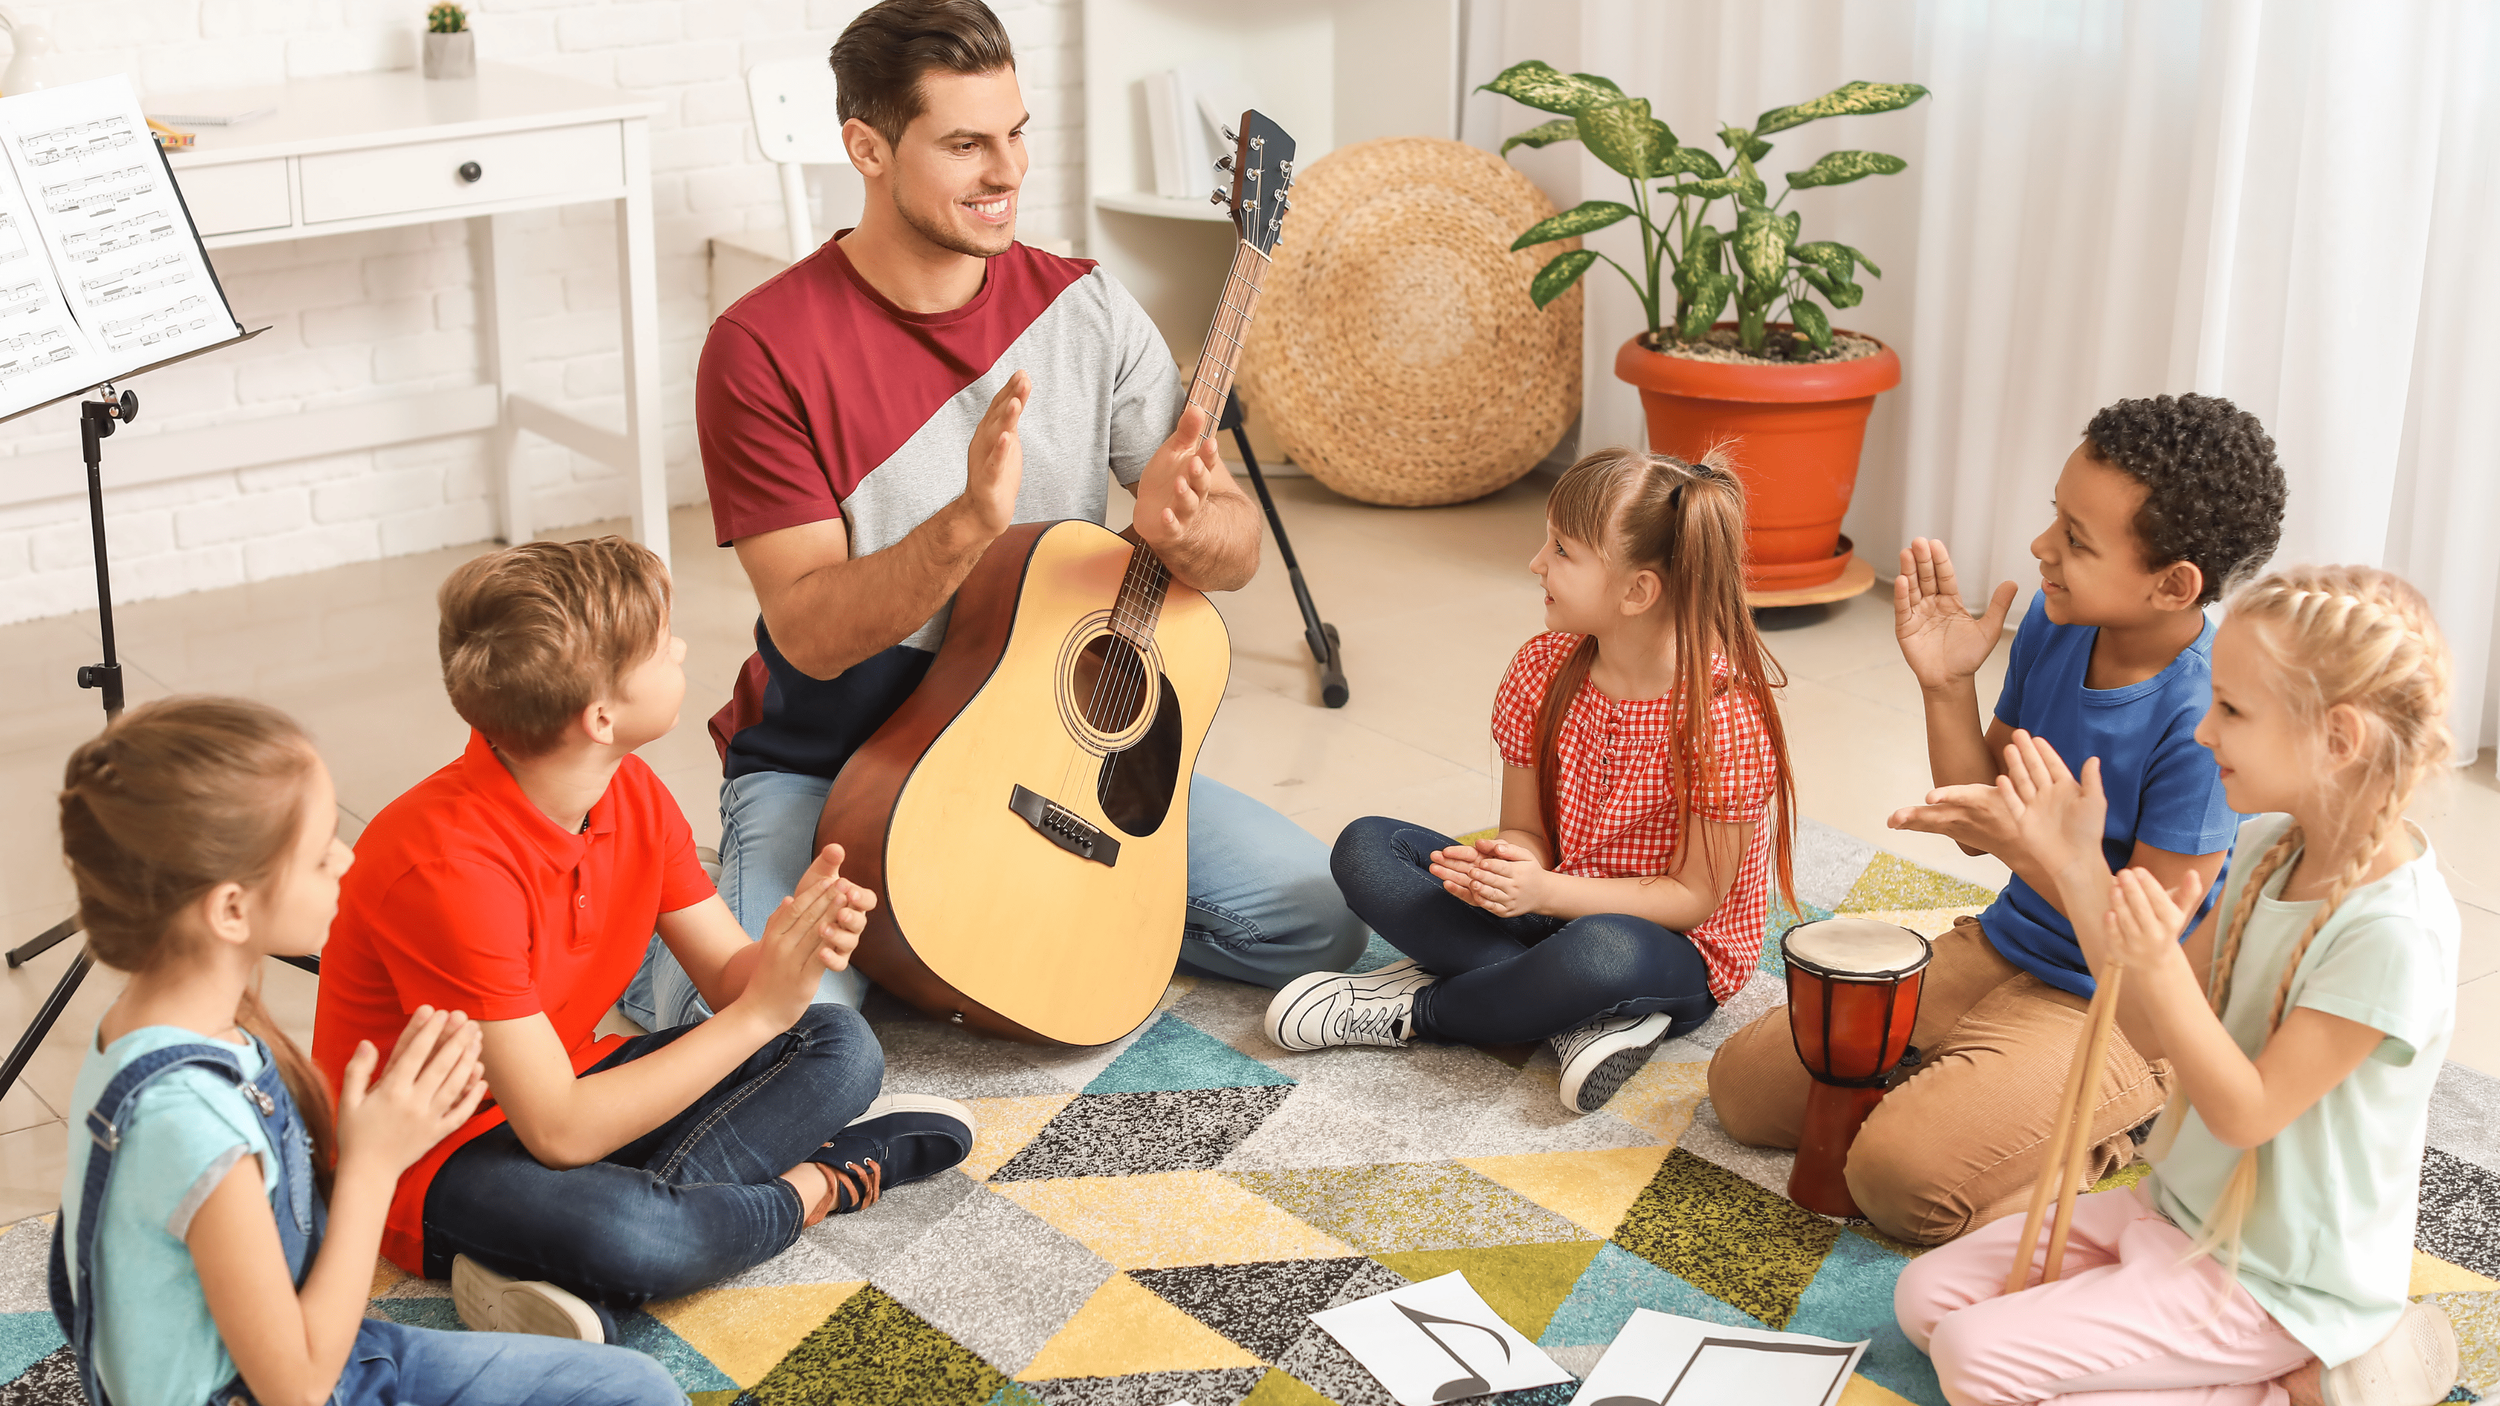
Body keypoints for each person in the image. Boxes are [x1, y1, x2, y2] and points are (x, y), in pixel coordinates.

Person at [620, 0, 1366, 1030]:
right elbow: (808, 631)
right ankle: (659, 931)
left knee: (1318, 922)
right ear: (867, 148)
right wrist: (962, 528)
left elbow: (1231, 542)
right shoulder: (763, 346)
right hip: (838, 770)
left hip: (1042, 758)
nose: (1007, 171)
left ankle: (985, 931)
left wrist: (1191, 526)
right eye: (966, 143)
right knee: (769, 1027)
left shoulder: (1087, 306)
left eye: (1016, 132)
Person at [312, 538, 974, 1344]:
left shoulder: (627, 787)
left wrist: (786, 959)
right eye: (663, 644)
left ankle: (560, 1260)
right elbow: (557, 1130)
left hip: (577, 1082)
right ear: (601, 716)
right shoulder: (443, 866)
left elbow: (734, 980)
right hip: (434, 1151)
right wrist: (758, 1014)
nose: (683, 647)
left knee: (841, 1043)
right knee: (641, 1239)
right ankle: (817, 1184)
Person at [1708, 393, 2288, 1244]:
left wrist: (2041, 852)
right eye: (2056, 516)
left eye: (2076, 540)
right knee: (1744, 1089)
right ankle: (1988, 1097)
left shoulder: (2206, 712)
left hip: (2125, 1008)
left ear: (2173, 585)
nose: (2041, 547)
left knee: (1895, 1182)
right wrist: (1946, 684)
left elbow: (2147, 944)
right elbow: (1981, 814)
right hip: (2013, 942)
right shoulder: (2060, 625)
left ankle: (2122, 1126)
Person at [1896, 564, 2462, 1406]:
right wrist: (2075, 869)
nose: (2202, 732)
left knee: (1977, 1358)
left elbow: (2245, 1112)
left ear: (2337, 740)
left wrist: (2155, 956)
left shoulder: (2392, 935)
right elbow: (2148, 1032)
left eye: (2231, 710)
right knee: (1926, 1302)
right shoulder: (2272, 846)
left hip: (2281, 1281)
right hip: (2176, 1214)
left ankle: (2306, 1380)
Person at [53, 696, 682, 1406]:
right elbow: (295, 1386)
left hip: (339, 1350)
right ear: (231, 908)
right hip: (304, 1380)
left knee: (634, 1386)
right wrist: (375, 1162)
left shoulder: (150, 1025)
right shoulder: (189, 1128)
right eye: (320, 852)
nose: (346, 857)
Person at [1264, 448, 1797, 1116]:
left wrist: (1544, 890)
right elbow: (1526, 830)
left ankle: (1417, 1011)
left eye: (1562, 550)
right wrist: (1513, 866)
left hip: (1668, 947)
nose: (1536, 563)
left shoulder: (1723, 718)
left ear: (1637, 591)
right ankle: (1573, 1014)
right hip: (1549, 911)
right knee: (1366, 847)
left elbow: (1692, 898)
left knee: (1596, 952)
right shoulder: (1542, 667)